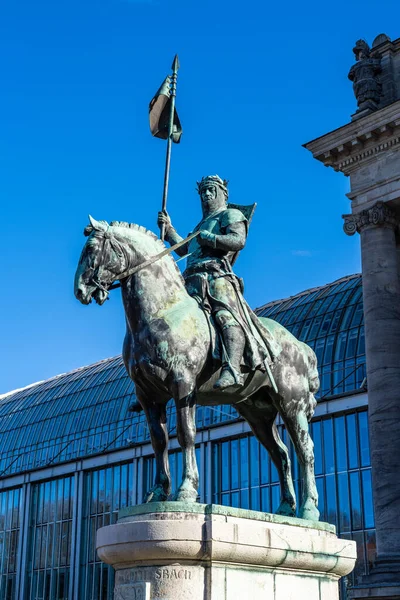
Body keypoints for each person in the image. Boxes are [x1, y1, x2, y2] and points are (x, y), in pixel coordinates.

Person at [158, 175, 276, 391]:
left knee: (224, 316)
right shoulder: (200, 224)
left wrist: (211, 239)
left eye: (212, 190)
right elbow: (185, 249)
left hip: (217, 276)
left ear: (224, 193)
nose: (207, 195)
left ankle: (232, 369)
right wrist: (169, 230)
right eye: (203, 192)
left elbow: (238, 241)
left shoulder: (230, 214)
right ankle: (156, 380)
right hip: (190, 280)